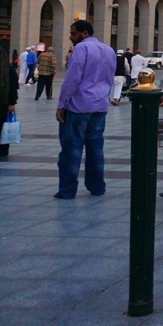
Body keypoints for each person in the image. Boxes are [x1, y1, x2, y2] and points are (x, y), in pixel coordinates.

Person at [55, 20, 116, 198]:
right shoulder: (109, 50)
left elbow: (72, 78)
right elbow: (110, 77)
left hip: (78, 106)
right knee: (95, 148)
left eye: (73, 33)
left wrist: (62, 104)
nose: (70, 37)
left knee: (71, 149)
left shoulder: (81, 49)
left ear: (84, 33)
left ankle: (67, 190)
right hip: (99, 105)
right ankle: (97, 187)